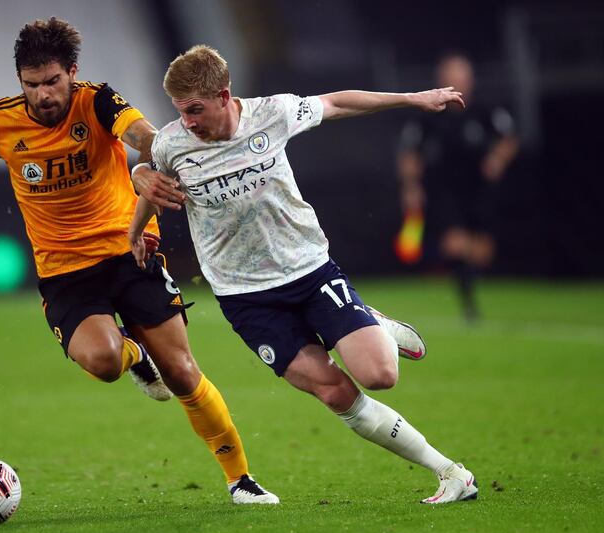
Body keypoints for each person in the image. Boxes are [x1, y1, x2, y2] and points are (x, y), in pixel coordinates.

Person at [0, 18, 278, 505]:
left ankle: (240, 479)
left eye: (52, 81)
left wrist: (151, 162)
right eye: (32, 84)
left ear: (72, 72)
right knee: (104, 361)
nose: (43, 94)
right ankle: (134, 355)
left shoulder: (96, 100)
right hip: (64, 273)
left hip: (129, 251)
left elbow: (142, 133)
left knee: (181, 372)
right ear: (20, 82)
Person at [129, 45, 477, 504]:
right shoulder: (173, 143)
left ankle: (369, 321)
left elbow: (336, 102)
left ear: (224, 95)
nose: (188, 122)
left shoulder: (271, 114)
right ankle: (450, 473)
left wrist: (413, 98)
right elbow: (153, 182)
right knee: (336, 394)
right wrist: (136, 229)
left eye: (195, 110)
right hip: (245, 297)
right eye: (180, 112)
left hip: (309, 270)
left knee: (380, 375)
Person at [397, 53, 519, 321]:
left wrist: (497, 158)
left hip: (480, 189)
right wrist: (411, 186)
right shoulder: (427, 116)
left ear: (470, 79)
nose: (456, 81)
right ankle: (469, 306)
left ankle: (472, 290)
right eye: (450, 76)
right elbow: (409, 154)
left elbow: (509, 138)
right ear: (441, 81)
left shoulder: (486, 111)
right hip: (443, 190)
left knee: (482, 250)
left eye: (461, 75)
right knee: (455, 243)